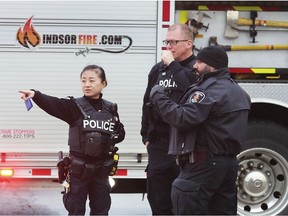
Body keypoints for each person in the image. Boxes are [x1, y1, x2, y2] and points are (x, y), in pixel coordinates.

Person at [149, 46, 251, 215]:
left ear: (213, 65)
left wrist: (158, 96)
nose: (195, 66)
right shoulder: (239, 92)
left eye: (200, 62)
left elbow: (182, 118)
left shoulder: (208, 92)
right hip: (227, 165)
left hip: (203, 165)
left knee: (188, 203)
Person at [19, 64, 125, 215]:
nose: (87, 84)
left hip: (101, 172)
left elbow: (120, 134)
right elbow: (53, 104)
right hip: (78, 172)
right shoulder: (74, 106)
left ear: (104, 83)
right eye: (83, 81)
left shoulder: (111, 109)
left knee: (101, 211)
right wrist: (35, 95)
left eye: (92, 80)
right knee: (75, 210)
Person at [140, 23, 197, 215]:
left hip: (185, 145)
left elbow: (191, 88)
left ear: (188, 43)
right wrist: (146, 136)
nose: (168, 46)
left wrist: (173, 66)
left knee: (183, 199)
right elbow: (147, 102)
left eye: (173, 42)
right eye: (167, 41)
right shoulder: (158, 70)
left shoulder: (196, 68)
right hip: (159, 144)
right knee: (157, 197)